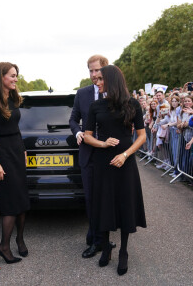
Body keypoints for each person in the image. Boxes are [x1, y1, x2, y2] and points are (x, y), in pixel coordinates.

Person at [84, 65, 146, 275]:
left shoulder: (133, 104)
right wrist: (102, 144)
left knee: (125, 203)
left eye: (101, 79)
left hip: (125, 160)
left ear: (112, 80)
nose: (97, 82)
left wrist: (125, 155)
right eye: (96, 79)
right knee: (104, 202)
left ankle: (124, 252)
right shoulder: (96, 106)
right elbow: (87, 135)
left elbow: (142, 136)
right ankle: (106, 247)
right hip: (103, 161)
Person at [0, 62, 30, 265]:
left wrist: (24, 150)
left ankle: (19, 239)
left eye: (16, 75)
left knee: (21, 201)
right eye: (12, 75)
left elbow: (15, 128)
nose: (15, 79)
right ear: (1, 76)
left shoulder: (14, 98)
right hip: (3, 154)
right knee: (10, 203)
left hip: (17, 152)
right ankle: (4, 246)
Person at [69, 55, 116, 259]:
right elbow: (73, 119)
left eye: (97, 70)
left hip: (109, 154)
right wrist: (78, 132)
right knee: (91, 198)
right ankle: (96, 239)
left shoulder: (114, 93)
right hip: (88, 153)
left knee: (107, 198)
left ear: (105, 70)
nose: (94, 75)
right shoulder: (82, 94)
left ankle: (100, 237)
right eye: (91, 71)